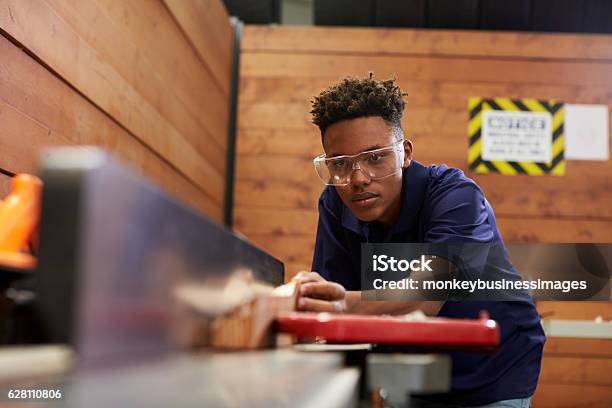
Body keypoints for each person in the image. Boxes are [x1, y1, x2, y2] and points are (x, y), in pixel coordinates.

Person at [294, 75, 545, 407]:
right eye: (340, 164)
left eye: (375, 157)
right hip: (410, 369)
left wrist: (338, 305)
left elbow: (428, 295)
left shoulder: (456, 196)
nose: (358, 179)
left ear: (405, 153)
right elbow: (337, 299)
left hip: (493, 369)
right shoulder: (334, 205)